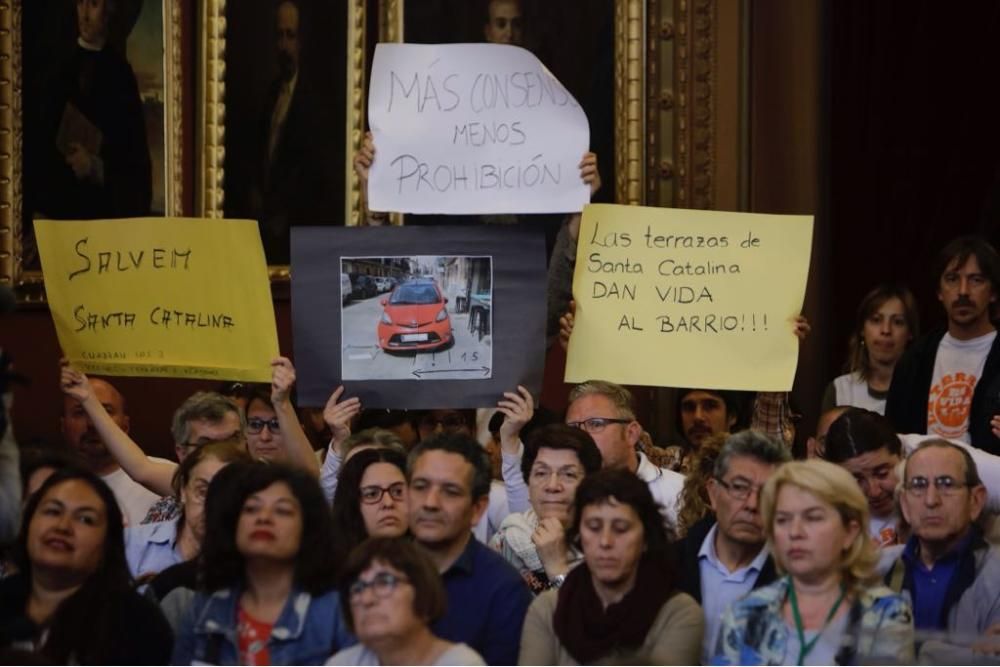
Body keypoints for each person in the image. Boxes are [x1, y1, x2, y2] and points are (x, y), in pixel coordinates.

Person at [713, 459, 914, 665]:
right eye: (783, 520)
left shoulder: (885, 613)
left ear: (849, 532)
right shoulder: (744, 615)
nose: (795, 532)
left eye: (813, 518)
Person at [172, 463, 354, 665]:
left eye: (282, 511)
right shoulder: (204, 609)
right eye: (251, 509)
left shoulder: (337, 612)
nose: (264, 518)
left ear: (308, 529)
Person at [519, 468, 703, 664]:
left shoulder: (678, 612)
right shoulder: (547, 609)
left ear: (646, 537)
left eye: (621, 528)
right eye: (594, 527)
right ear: (578, 535)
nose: (605, 541)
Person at [0, 467, 172, 663]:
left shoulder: (136, 622)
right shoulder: (5, 597)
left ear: (109, 542)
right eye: (52, 511)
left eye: (85, 519)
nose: (62, 526)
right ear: (28, 522)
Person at [407, 432, 532, 665]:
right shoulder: (378, 571)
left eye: (450, 491)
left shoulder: (504, 590)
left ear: (478, 509)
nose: (430, 502)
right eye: (420, 486)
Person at [676, 430, 791, 663]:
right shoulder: (668, 562)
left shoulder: (794, 579)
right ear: (713, 493)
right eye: (739, 487)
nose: (752, 504)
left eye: (767, 493)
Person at [31, 0, 151, 221]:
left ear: (109, 10)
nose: (84, 15)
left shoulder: (121, 77)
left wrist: (97, 169)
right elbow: (39, 147)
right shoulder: (57, 69)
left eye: (93, 5)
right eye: (80, 4)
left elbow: (136, 170)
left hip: (101, 221)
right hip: (57, 217)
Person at [884, 439, 1000, 659]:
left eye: (946, 484)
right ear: (905, 505)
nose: (931, 500)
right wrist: (966, 655)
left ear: (976, 501)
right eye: (918, 485)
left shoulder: (996, 578)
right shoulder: (872, 569)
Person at [887, 235, 1000, 452]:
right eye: (952, 279)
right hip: (922, 480)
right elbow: (894, 436)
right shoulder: (915, 359)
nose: (963, 291)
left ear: (993, 292)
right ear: (939, 292)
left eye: (976, 280)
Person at [245, 0, 332, 264]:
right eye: (279, 36)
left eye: (290, 36)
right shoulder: (271, 94)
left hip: (297, 232)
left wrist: (285, 215)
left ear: (300, 42)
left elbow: (314, 174)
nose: (284, 46)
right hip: (265, 228)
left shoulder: (314, 101)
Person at [328, 537, 486, 666]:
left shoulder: (462, 663)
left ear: (423, 591)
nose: (366, 599)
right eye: (358, 588)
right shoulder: (342, 663)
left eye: (384, 582)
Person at [489, 424, 602, 594]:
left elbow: (597, 620)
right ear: (528, 485)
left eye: (569, 474)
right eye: (541, 473)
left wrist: (557, 567)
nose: (552, 486)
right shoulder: (506, 541)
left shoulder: (608, 545)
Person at [124, 438, 250, 582]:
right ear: (183, 490)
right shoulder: (130, 544)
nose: (212, 504)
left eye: (227, 493)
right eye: (202, 492)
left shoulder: (253, 563)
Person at [563, 380, 685, 528]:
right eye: (573, 428)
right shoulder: (560, 493)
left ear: (631, 433)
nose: (581, 436)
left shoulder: (680, 491)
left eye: (595, 424)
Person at [59, 372, 162, 526]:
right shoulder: (48, 483)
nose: (92, 423)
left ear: (125, 426)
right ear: (63, 426)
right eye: (80, 413)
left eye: (105, 411)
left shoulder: (161, 479)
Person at [822, 283, 919, 415]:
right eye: (876, 320)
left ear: (910, 333)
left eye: (897, 322)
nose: (886, 330)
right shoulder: (841, 390)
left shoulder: (923, 389)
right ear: (862, 329)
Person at [822, 407, 906, 547]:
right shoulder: (824, 512)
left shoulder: (940, 460)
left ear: (902, 455)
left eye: (882, 474)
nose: (874, 492)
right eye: (856, 480)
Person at [329, 447, 409, 576]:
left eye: (398, 492)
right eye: (372, 494)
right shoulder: (332, 574)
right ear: (352, 503)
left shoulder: (433, 564)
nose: (388, 503)